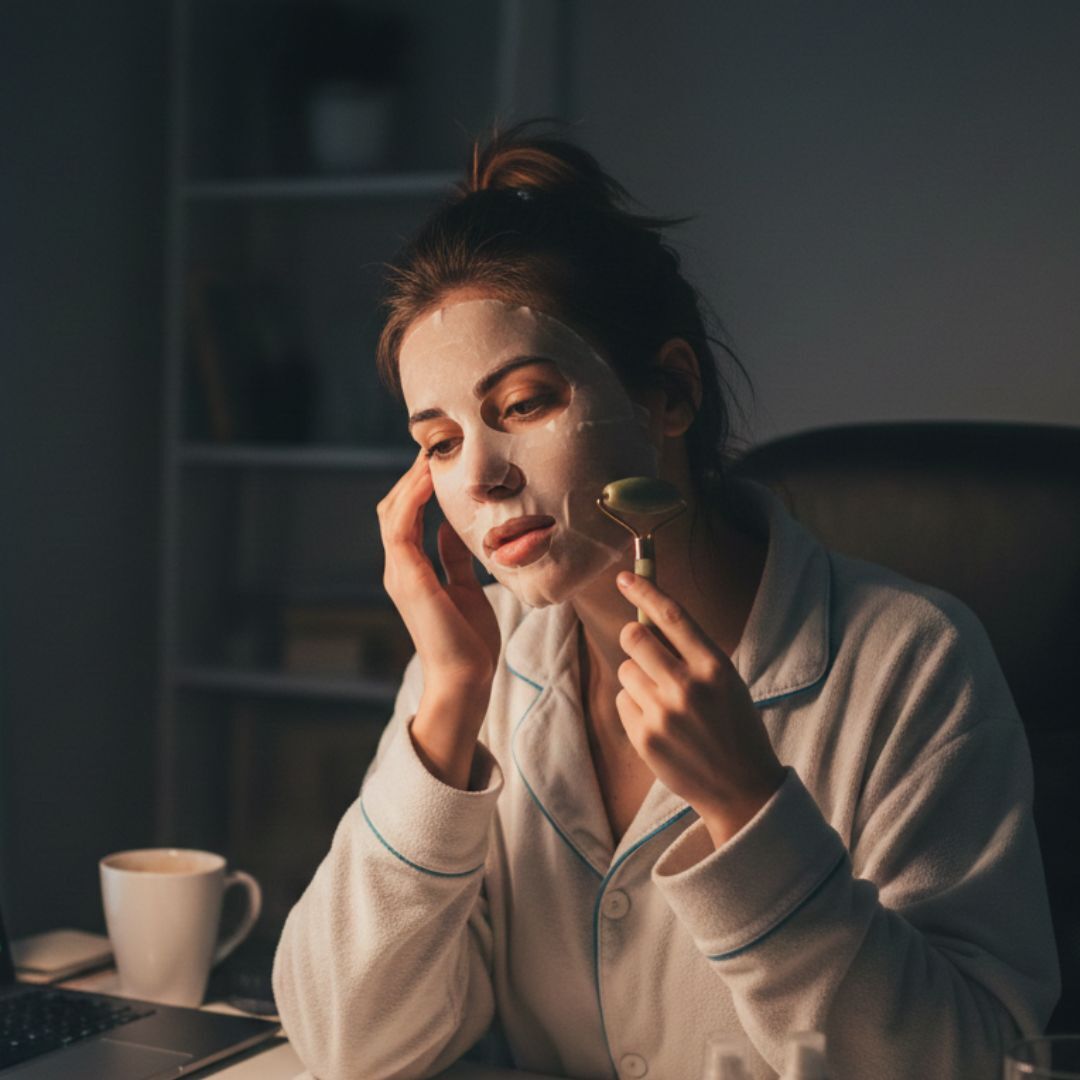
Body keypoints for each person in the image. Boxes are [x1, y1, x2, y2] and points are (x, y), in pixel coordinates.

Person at [272, 122, 1059, 1080]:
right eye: (437, 442)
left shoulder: (912, 664)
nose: (480, 477)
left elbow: (975, 1065)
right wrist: (443, 705)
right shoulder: (481, 669)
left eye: (523, 405)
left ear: (669, 394)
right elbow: (343, 1050)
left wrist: (749, 807)